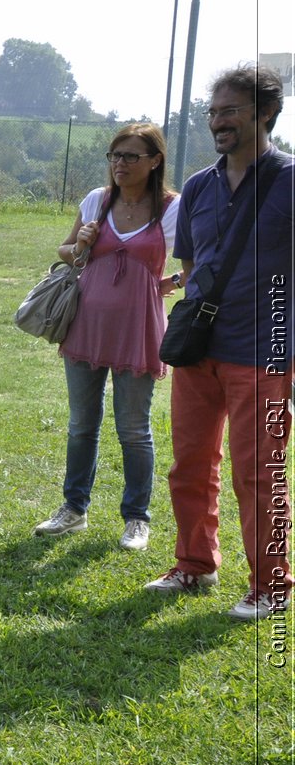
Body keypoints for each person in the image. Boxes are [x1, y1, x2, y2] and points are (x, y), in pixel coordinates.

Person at [146, 65, 294, 621]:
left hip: (263, 352)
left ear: (264, 112)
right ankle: (194, 563)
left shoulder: (290, 179)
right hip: (199, 350)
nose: (217, 122)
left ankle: (271, 584)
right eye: (212, 113)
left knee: (259, 472)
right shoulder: (201, 186)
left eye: (229, 111)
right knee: (189, 463)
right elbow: (191, 261)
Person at [33, 124, 180, 551]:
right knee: (82, 425)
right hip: (86, 326)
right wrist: (79, 242)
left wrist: (169, 281)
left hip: (138, 330)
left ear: (155, 161)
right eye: (114, 155)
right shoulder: (97, 201)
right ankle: (73, 510)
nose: (120, 164)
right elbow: (65, 251)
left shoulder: (172, 209)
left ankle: (137, 519)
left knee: (134, 429)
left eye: (131, 156)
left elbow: (200, 257)